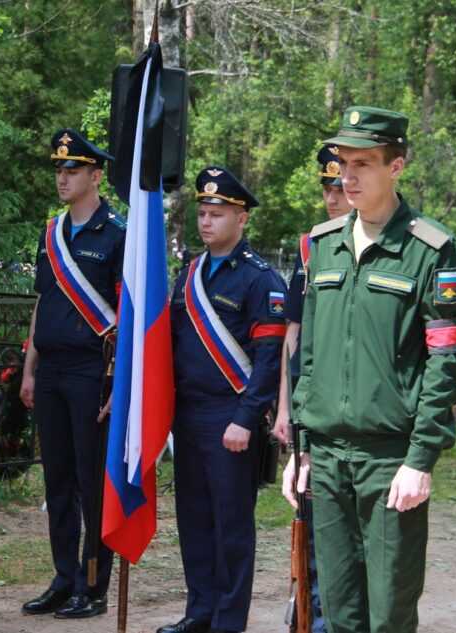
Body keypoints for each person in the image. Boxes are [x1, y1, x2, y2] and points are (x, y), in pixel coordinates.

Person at [283, 106, 456, 633]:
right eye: (344, 162)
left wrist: (421, 458)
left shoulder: (430, 249)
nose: (348, 175)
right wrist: (303, 450)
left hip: (390, 460)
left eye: (363, 163)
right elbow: (309, 358)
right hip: (329, 460)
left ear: (397, 167)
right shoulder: (323, 245)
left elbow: (445, 360)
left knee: (388, 614)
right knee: (337, 612)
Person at [158, 167, 287, 633]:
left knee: (230, 527)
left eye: (217, 214)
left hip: (229, 417)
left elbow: (269, 360)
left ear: (241, 218)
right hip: (187, 414)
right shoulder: (189, 273)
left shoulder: (261, 280)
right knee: (193, 520)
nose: (207, 222)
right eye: (203, 213)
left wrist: (245, 418)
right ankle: (200, 613)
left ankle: (228, 622)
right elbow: (168, 346)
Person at [19, 129, 123, 620]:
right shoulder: (51, 233)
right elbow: (43, 301)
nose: (62, 178)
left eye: (73, 170)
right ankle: (64, 579)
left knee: (91, 481)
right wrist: (29, 368)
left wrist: (117, 383)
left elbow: (131, 318)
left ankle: (94, 583)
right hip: (53, 369)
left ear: (95, 176)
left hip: (92, 371)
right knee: (57, 480)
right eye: (59, 170)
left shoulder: (119, 234)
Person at [273, 143, 352, 633]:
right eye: (327, 186)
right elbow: (292, 338)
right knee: (312, 524)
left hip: (354, 411)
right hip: (312, 412)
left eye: (340, 185)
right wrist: (284, 409)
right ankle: (312, 617)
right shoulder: (311, 250)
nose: (332, 196)